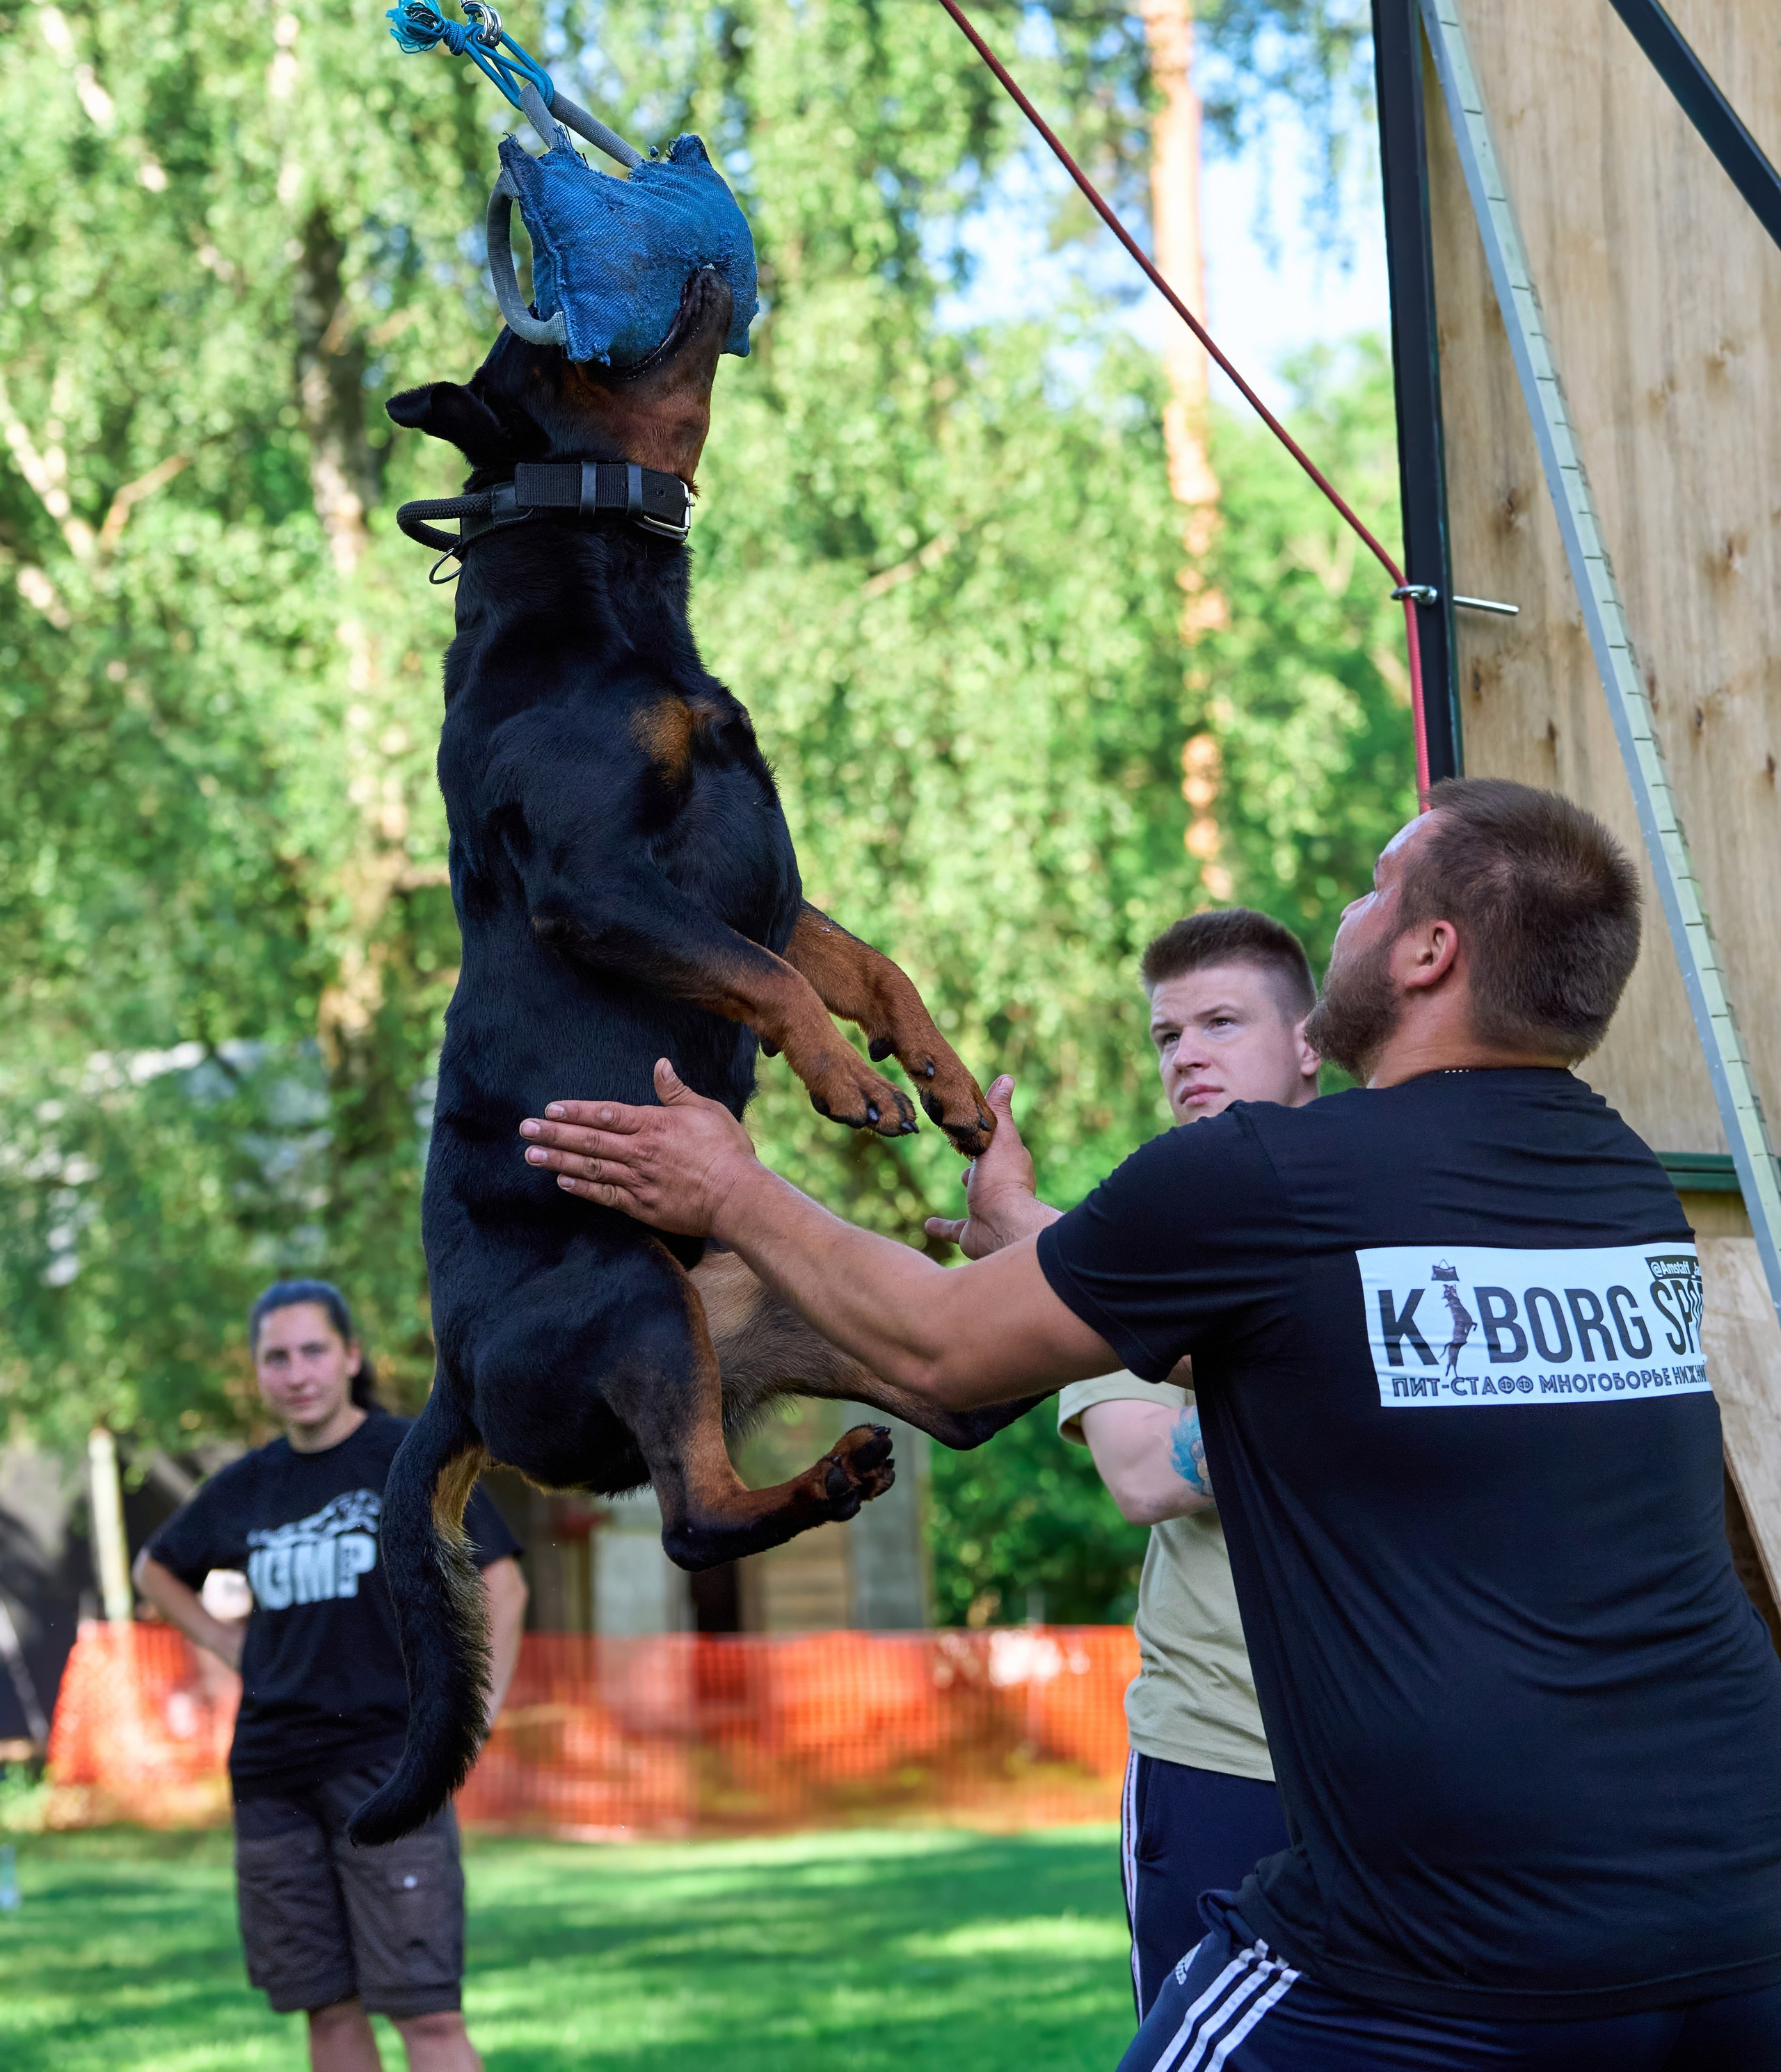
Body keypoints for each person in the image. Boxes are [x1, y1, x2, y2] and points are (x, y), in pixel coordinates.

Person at [520, 779, 1781, 2067]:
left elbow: (935, 1345)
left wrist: (731, 1190)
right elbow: (1311, 1333)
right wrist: (1033, 1238)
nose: (1345, 910)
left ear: (1429, 952)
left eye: (1374, 889)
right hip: (1742, 1902)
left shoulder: (1271, 1178)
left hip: (1437, 1949)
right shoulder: (1616, 1184)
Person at [136, 1280, 528, 2072]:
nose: (297, 1372)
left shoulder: (410, 1454)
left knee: (428, 2014)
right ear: (258, 1373)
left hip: (387, 1766)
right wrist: (231, 1644)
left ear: (351, 1357)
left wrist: (475, 1714)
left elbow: (504, 1583)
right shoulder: (249, 1484)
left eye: (314, 1350)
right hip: (272, 1776)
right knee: (328, 2011)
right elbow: (156, 1569)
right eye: (275, 1357)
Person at [1048, 910, 1316, 2019]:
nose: (1187, 1056)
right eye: (1167, 1037)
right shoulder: (1133, 1235)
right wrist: (1322, 1375)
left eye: (1220, 1021)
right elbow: (1144, 1475)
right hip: (1219, 1752)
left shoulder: (1386, 1199)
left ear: (1310, 1040)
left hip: (1412, 1751)